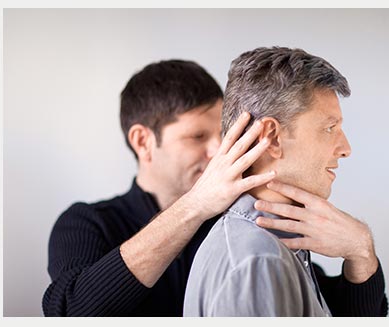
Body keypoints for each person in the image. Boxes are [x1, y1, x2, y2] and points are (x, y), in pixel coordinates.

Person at [42, 59, 276, 316]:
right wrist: (194, 206)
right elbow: (69, 311)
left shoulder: (237, 220)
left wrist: (330, 242)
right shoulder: (86, 223)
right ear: (143, 141)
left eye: (221, 134)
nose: (217, 151)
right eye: (197, 136)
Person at [183, 46, 387, 317]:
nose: (346, 148)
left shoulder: (276, 245)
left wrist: (361, 249)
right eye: (329, 128)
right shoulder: (258, 262)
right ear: (273, 137)